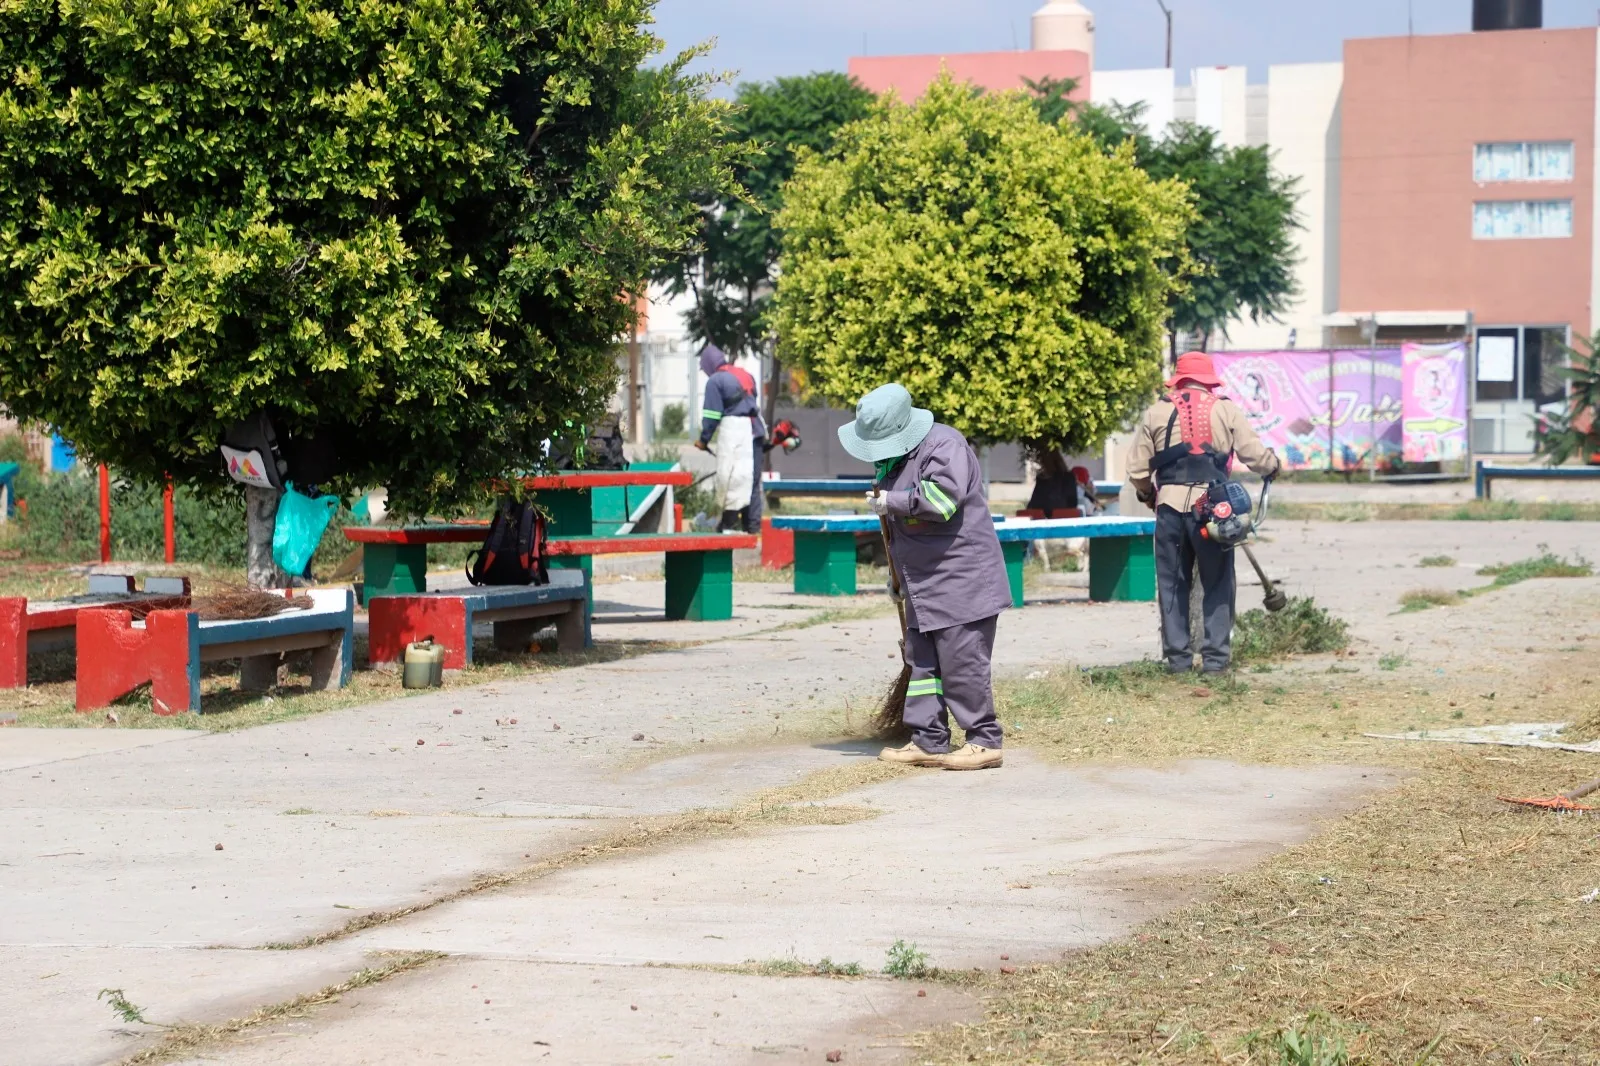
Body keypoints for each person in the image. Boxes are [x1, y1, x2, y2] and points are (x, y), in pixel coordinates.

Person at [839, 384, 1012, 770]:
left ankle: (984, 740)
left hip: (961, 577)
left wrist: (892, 501)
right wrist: (898, 578)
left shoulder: (945, 446)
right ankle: (928, 738)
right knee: (922, 663)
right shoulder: (892, 461)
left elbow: (942, 501)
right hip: (921, 582)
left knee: (962, 662)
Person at [1126, 351, 1282, 675]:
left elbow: (1137, 470)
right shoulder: (1225, 409)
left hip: (1169, 508)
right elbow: (1254, 455)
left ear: (1178, 380)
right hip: (1214, 512)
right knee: (1218, 583)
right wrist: (1273, 466)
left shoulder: (1156, 412)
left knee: (1172, 585)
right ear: (1209, 381)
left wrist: (1148, 495)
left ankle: (1179, 662)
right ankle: (1215, 662)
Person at [694, 345, 763, 532]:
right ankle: (753, 528)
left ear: (708, 364)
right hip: (756, 431)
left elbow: (711, 416)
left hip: (737, 434)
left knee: (730, 478)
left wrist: (703, 441)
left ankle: (727, 525)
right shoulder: (745, 374)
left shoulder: (716, 381)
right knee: (751, 481)